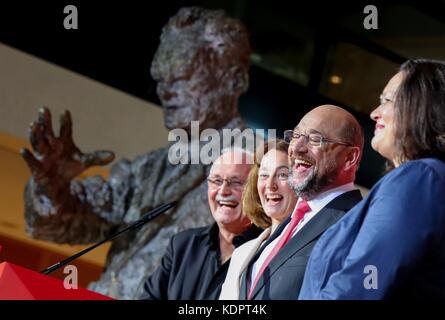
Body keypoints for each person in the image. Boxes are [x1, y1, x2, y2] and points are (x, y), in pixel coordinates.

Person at [20, 7, 251, 299]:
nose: (166, 91)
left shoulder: (259, 172)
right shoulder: (149, 168)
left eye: (182, 76)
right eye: (161, 79)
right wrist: (53, 189)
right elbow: (73, 221)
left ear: (234, 80)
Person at [299, 59, 445, 300]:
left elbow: (358, 287)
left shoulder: (419, 179)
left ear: (421, 106)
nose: (374, 113)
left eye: (387, 100)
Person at [239, 104, 364, 300]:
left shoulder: (357, 227)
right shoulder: (291, 218)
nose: (296, 148)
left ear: (349, 157)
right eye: (296, 136)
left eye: (315, 139)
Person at [140, 148, 262, 300]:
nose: (223, 191)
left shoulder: (264, 251)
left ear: (256, 191)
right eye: (217, 181)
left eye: (236, 182)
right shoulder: (182, 245)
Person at [219, 139, 297, 300]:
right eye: (264, 175)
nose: (270, 185)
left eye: (282, 174)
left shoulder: (310, 244)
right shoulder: (241, 253)